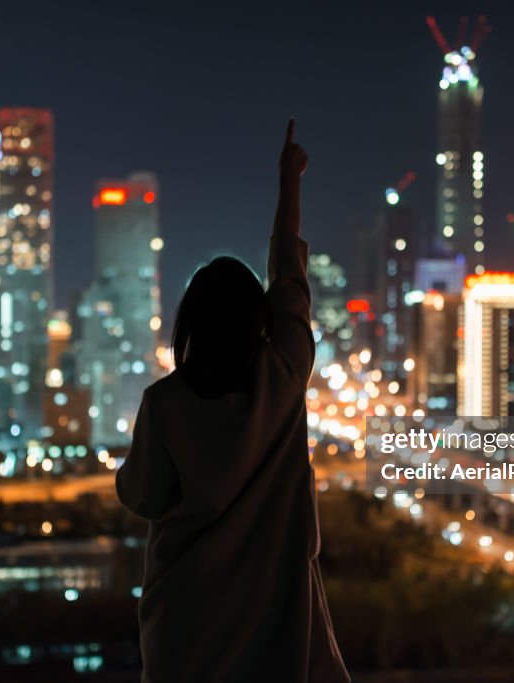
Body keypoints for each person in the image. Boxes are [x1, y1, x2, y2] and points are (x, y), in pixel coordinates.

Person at [115, 119, 350, 683]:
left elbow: (143, 495)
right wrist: (288, 183)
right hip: (277, 614)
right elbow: (291, 279)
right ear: (259, 321)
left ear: (190, 323)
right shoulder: (284, 372)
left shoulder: (164, 404)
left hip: (186, 624)